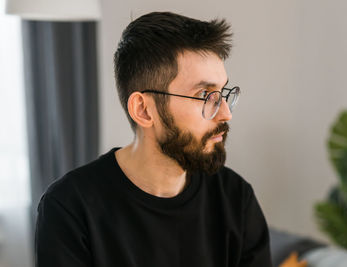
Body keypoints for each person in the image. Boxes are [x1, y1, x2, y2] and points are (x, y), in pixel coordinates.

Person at [35, 11, 272, 267]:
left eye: (223, 92)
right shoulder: (69, 208)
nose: (225, 113)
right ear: (144, 110)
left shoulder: (236, 199)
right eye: (205, 95)